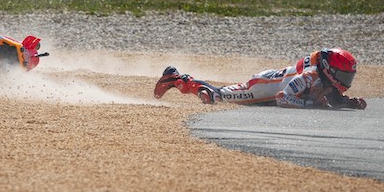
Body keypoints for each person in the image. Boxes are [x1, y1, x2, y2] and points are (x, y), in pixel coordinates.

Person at [154, 48, 367, 109]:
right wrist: (309, 103)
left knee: (216, 96)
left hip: (270, 82)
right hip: (262, 88)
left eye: (349, 76)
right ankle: (175, 77)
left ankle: (179, 78)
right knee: (215, 97)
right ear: (329, 69)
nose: (345, 81)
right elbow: (284, 97)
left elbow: (331, 96)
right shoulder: (310, 76)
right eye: (343, 75)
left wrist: (349, 103)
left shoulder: (325, 78)